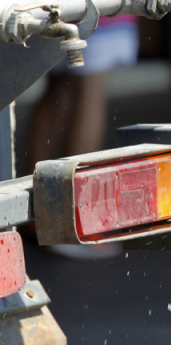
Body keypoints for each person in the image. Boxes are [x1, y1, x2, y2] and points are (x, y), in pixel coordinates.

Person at [28, 14, 140, 259]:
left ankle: (35, 212)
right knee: (90, 91)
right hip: (99, 8)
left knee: (60, 88)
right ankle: (74, 222)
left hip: (57, 3)